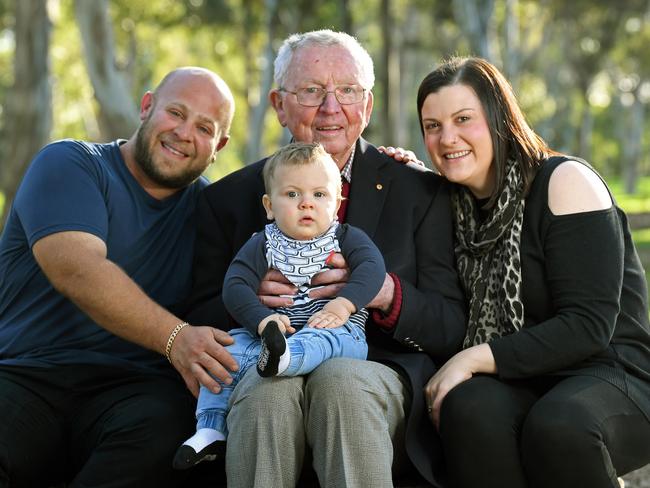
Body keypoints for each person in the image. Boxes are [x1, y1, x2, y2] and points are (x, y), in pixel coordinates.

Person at [184, 30, 467, 487]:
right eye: (312, 90)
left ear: (367, 106)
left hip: (375, 367)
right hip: (266, 359)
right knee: (265, 395)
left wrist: (386, 294)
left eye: (348, 91)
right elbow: (198, 314)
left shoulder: (420, 191)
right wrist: (250, 300)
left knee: (341, 384)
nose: (331, 107)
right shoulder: (228, 200)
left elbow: (451, 323)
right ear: (279, 104)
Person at [0, 67, 239, 487]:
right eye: (176, 113)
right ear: (147, 107)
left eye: (204, 127)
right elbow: (77, 269)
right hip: (25, 374)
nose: (184, 133)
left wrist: (386, 163)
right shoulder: (71, 163)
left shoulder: (211, 212)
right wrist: (176, 337)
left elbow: (292, 192)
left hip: (133, 393)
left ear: (218, 146)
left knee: (171, 436)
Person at [418, 56, 650, 488]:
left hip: (611, 370)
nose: (447, 138)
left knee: (559, 425)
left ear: (499, 118)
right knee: (467, 407)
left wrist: (473, 356)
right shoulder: (449, 202)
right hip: (524, 376)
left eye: (463, 119)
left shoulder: (564, 182)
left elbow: (589, 326)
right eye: (432, 126)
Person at [173, 141, 386, 469]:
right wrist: (262, 321)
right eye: (292, 195)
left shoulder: (345, 238)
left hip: (334, 330)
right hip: (274, 333)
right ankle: (210, 428)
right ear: (269, 205)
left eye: (319, 195)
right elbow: (236, 285)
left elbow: (373, 269)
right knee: (227, 354)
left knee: (324, 339)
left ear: (336, 202)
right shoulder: (263, 243)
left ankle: (284, 359)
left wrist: (343, 305)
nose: (306, 204)